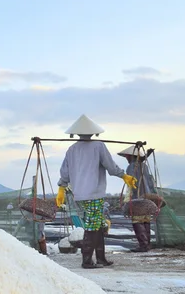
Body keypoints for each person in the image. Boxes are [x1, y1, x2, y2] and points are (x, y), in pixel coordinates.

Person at [55, 114, 137, 269]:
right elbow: (111, 167)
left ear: (76, 133)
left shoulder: (71, 149)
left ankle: (101, 258)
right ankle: (86, 261)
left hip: (79, 195)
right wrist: (124, 175)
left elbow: (64, 172)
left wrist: (61, 188)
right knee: (93, 226)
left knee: (98, 224)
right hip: (94, 194)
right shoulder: (98, 146)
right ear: (93, 132)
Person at [118, 145, 156, 252]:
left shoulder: (131, 167)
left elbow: (131, 182)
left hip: (136, 197)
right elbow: (150, 182)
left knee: (137, 221)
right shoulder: (144, 166)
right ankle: (147, 244)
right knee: (145, 220)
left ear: (130, 157)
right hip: (147, 197)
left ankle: (143, 245)